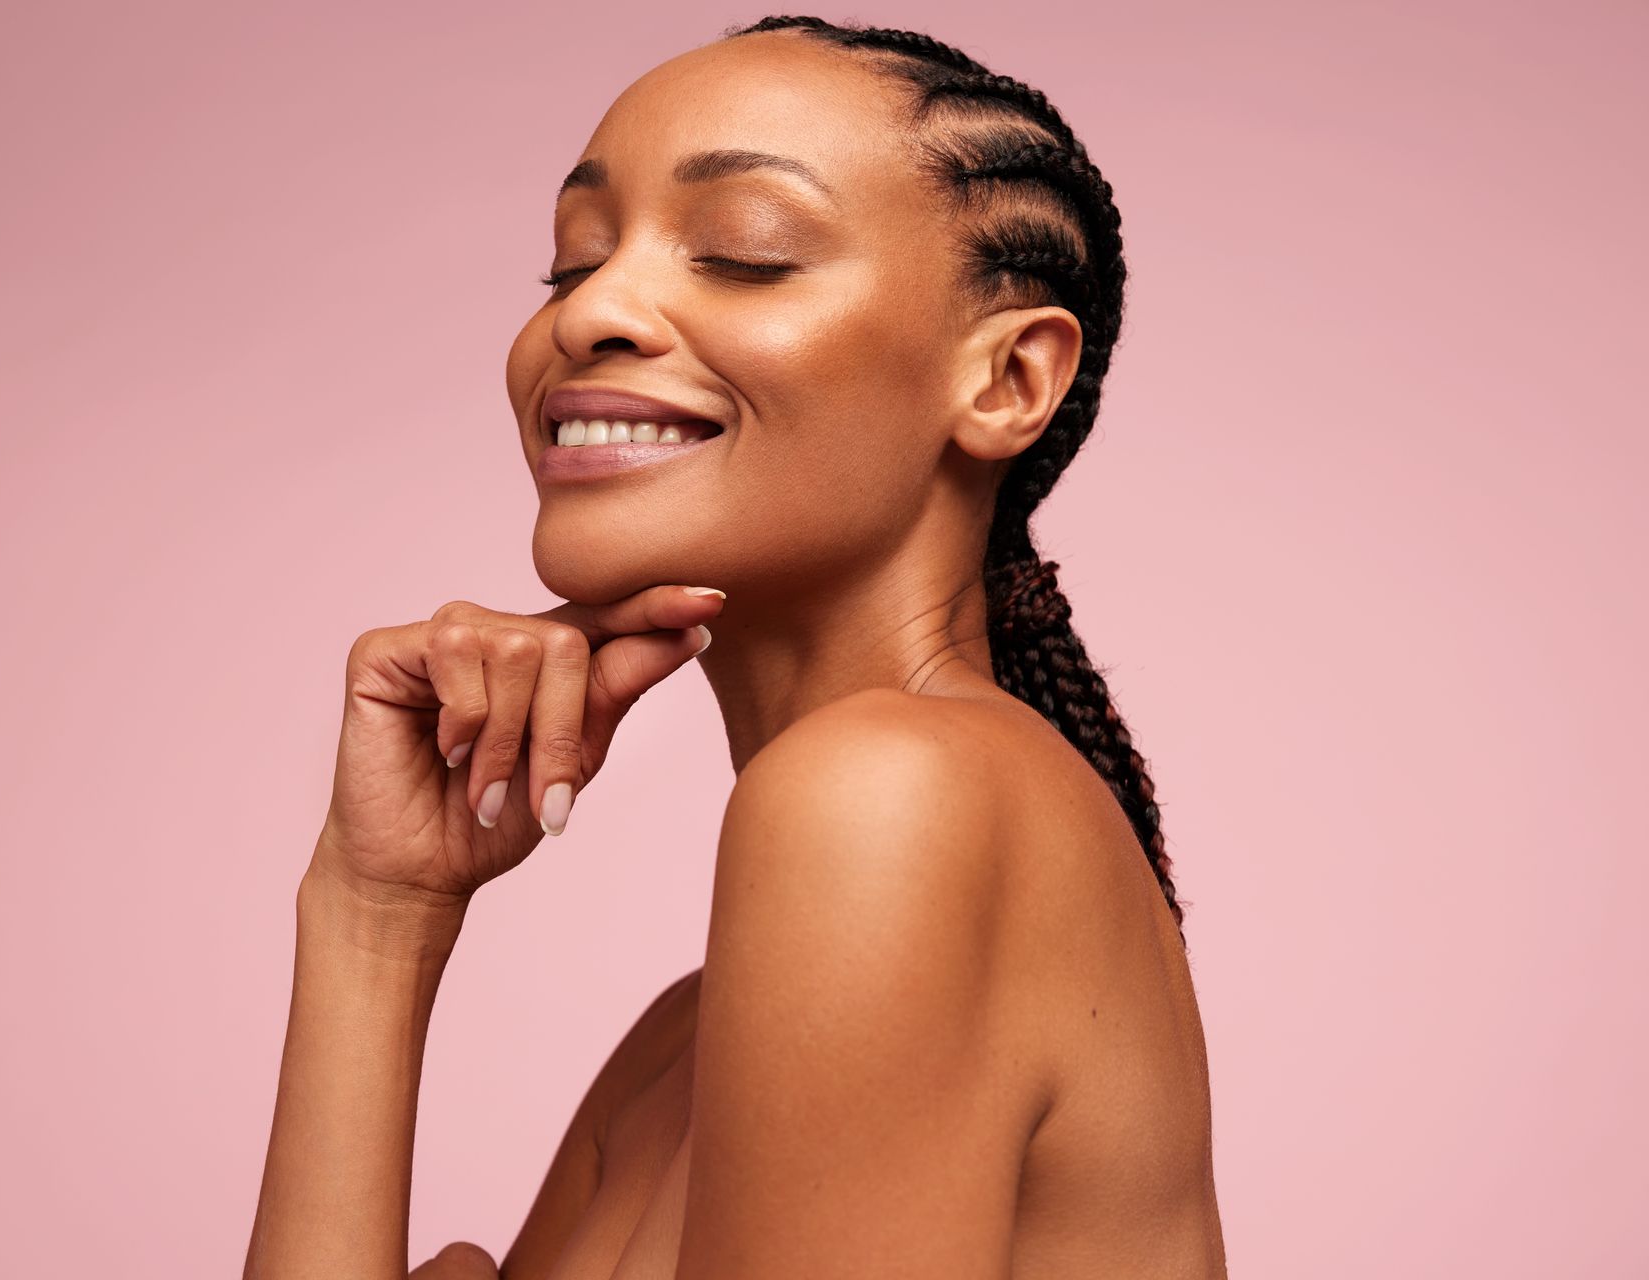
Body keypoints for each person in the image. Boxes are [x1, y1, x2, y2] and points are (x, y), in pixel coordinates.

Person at [244, 15, 1225, 1279]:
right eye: (569, 264)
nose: (592, 310)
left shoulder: (890, 793)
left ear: (1006, 381)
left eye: (744, 254)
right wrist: (374, 913)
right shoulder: (676, 1048)